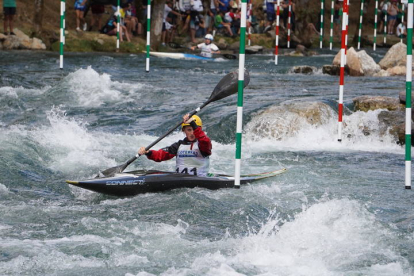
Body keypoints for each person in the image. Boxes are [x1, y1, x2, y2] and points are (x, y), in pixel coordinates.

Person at [138, 114, 212, 177]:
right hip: (181, 181)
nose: (192, 133)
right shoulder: (178, 145)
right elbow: (160, 155)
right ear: (184, 131)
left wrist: (193, 124)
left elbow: (205, 140)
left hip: (200, 181)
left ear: (199, 130)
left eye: (194, 130)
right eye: (189, 130)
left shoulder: (203, 145)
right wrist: (148, 152)